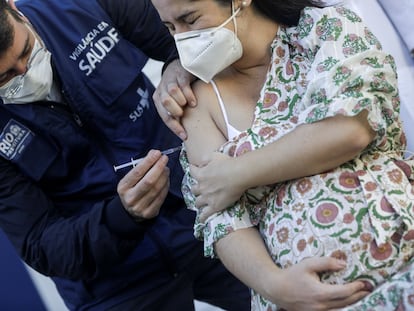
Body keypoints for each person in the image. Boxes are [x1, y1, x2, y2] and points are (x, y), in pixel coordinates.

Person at [151, 0, 414, 310]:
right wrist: (275, 286)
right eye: (170, 28)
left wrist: (236, 174)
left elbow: (349, 130)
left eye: (189, 19)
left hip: (402, 262)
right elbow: (219, 220)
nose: (182, 39)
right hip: (300, 300)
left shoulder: (325, 30)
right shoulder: (198, 102)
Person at [0, 0, 252, 310]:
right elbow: (40, 243)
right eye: (5, 78)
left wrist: (179, 66)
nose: (26, 72)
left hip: (202, 212)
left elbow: (196, 36)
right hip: (113, 282)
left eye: (26, 51)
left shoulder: (81, 5)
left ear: (14, 6)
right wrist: (121, 218)